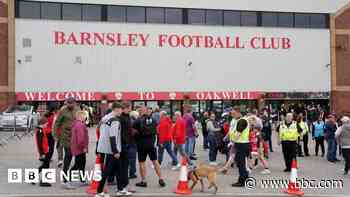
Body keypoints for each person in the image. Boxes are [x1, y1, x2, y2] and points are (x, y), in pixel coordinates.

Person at [96, 102, 132, 197]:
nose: (121, 111)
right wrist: (115, 151)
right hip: (112, 149)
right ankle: (99, 191)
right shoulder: (115, 120)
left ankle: (120, 189)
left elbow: (99, 129)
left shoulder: (106, 117)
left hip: (104, 147)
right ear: (116, 109)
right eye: (120, 109)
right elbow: (113, 136)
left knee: (117, 168)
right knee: (107, 170)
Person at [133, 107, 166, 188]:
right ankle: (161, 178)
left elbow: (133, 133)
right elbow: (156, 131)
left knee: (142, 163)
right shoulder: (154, 120)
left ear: (140, 112)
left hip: (141, 145)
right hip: (151, 144)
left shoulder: (137, 121)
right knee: (155, 161)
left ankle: (144, 181)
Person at [53, 97, 78, 189]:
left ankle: (69, 177)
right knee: (68, 157)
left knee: (78, 159)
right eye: (68, 103)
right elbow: (57, 124)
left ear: (75, 103)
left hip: (75, 137)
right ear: (66, 103)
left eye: (72, 103)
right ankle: (65, 180)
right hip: (65, 138)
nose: (70, 105)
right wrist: (56, 136)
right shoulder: (62, 111)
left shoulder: (77, 109)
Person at [229, 107, 251, 187]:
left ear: (238, 112)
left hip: (241, 144)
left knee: (241, 164)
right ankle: (245, 179)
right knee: (241, 164)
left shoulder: (242, 121)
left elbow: (238, 134)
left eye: (233, 113)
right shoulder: (239, 120)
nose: (232, 115)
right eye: (231, 114)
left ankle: (241, 181)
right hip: (241, 144)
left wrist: (232, 141)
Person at [70, 111, 89, 187]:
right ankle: (68, 180)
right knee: (78, 165)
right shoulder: (80, 125)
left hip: (77, 148)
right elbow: (81, 138)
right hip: (80, 148)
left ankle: (82, 180)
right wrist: (84, 147)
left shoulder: (77, 124)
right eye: (85, 116)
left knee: (81, 165)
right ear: (81, 116)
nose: (85, 118)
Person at [34, 115, 51, 187]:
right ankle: (43, 181)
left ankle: (32, 177)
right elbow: (40, 143)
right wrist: (42, 154)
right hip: (44, 152)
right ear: (42, 124)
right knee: (46, 166)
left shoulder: (41, 130)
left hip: (45, 151)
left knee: (44, 165)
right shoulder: (40, 131)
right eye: (46, 123)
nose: (47, 124)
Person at [128, 110, 139, 179]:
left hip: (128, 142)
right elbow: (133, 132)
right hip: (132, 142)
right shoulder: (133, 122)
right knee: (132, 158)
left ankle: (130, 172)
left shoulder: (129, 120)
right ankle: (132, 173)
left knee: (129, 158)